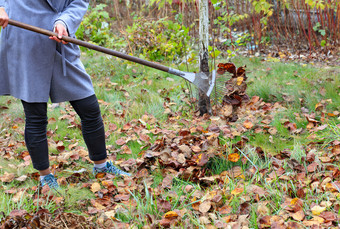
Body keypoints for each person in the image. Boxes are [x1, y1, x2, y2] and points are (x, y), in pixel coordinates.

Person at [0, 0, 131, 191]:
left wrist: (65, 22)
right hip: (25, 41)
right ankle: (46, 177)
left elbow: (78, 1)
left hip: (60, 40)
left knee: (89, 107)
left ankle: (101, 166)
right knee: (35, 115)